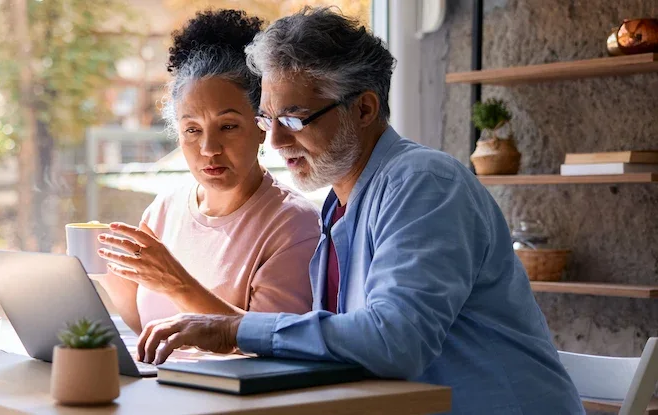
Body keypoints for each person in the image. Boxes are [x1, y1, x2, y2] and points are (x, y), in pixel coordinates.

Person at [133, 8, 584, 414]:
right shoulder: (339, 205)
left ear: (364, 108)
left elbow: (394, 342)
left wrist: (233, 329)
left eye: (292, 120)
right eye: (268, 121)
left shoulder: (423, 182)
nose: (274, 143)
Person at [93, 9, 319, 336]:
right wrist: (105, 270)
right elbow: (148, 325)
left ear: (262, 127)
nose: (209, 148)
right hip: (163, 384)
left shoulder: (294, 226)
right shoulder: (164, 211)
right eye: (192, 130)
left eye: (228, 126)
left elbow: (276, 343)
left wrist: (176, 283)